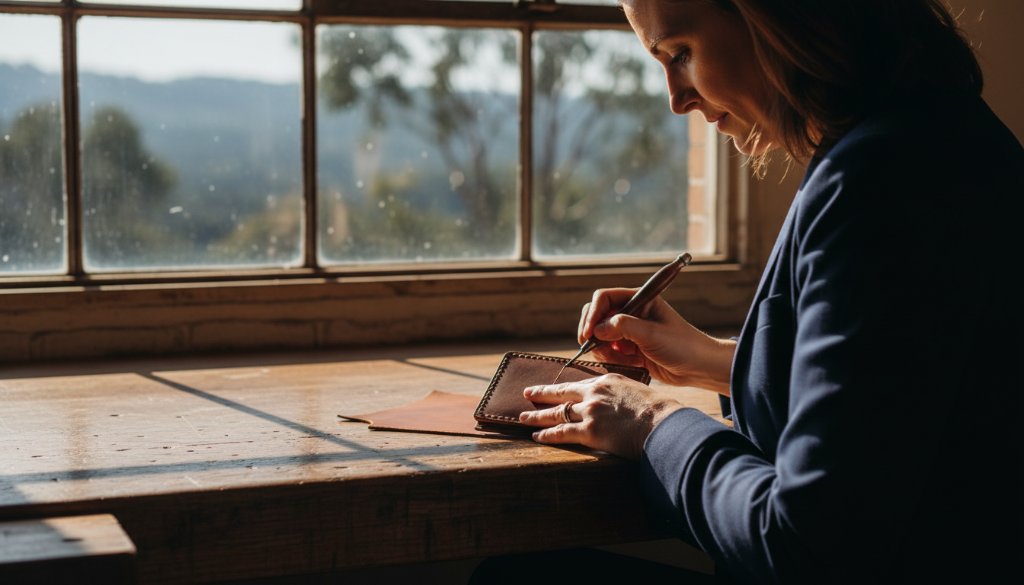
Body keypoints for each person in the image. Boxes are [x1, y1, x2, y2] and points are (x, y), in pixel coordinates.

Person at [475, 0, 1023, 583]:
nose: (676, 98)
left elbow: (805, 544)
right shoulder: (936, 136)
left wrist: (652, 423)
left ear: (778, 17)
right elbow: (895, 393)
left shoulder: (878, 187)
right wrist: (712, 361)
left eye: (681, 53)